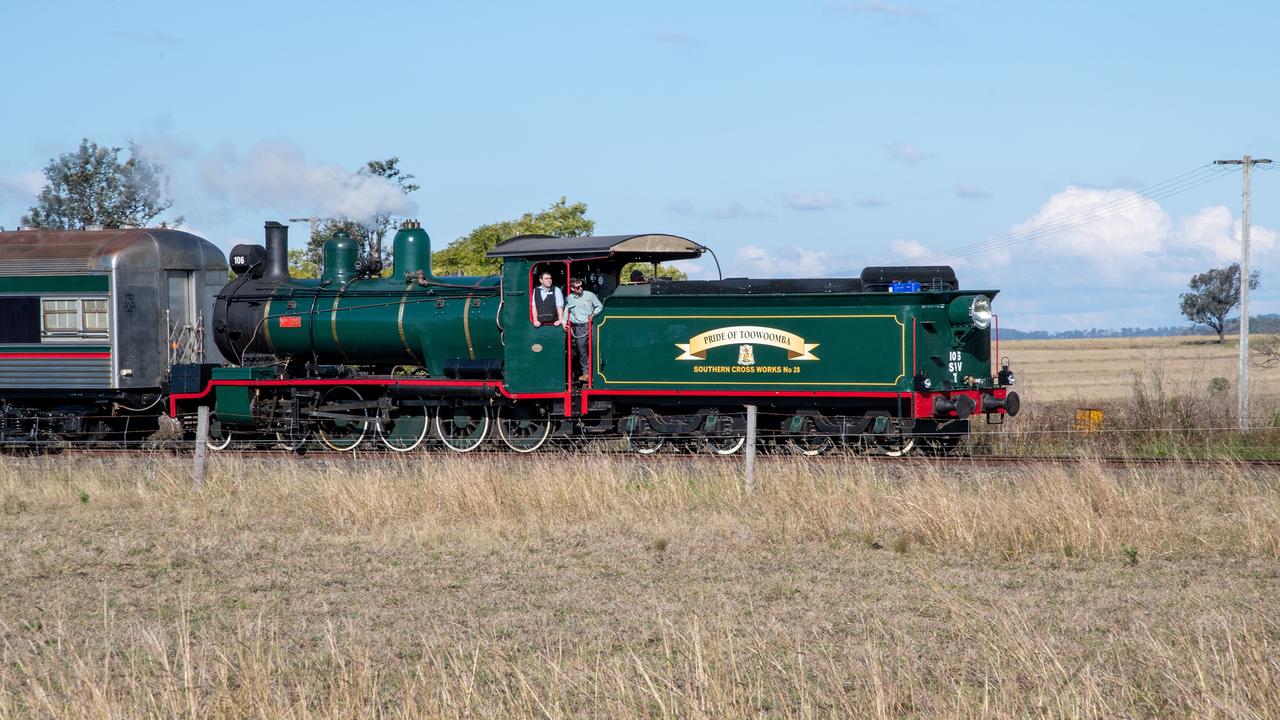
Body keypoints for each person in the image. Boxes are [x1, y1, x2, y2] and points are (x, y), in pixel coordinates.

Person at [564, 277, 603, 382]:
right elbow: (566, 309)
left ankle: (596, 372)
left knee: (594, 348)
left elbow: (599, 306)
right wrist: (564, 322)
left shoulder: (590, 295)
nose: (580, 288)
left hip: (591, 325)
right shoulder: (570, 298)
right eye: (578, 287)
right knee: (582, 351)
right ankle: (586, 373)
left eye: (581, 286)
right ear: (572, 289)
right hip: (578, 328)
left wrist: (593, 315)